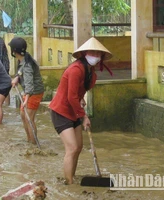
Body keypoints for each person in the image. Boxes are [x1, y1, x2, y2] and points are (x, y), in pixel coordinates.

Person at [49, 37, 113, 185]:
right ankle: (69, 184)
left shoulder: (91, 72)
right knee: (71, 148)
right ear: (84, 53)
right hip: (61, 111)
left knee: (78, 147)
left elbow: (78, 93)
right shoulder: (75, 69)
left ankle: (71, 177)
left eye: (99, 54)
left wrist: (81, 99)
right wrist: (84, 116)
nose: (96, 56)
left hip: (73, 111)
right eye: (93, 52)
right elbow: (71, 96)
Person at [9, 37, 44, 144]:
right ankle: (29, 140)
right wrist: (16, 77)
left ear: (14, 51)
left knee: (29, 118)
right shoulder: (24, 59)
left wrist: (26, 99)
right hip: (29, 93)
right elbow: (20, 71)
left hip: (34, 93)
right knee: (23, 116)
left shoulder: (27, 65)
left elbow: (29, 82)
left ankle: (34, 144)